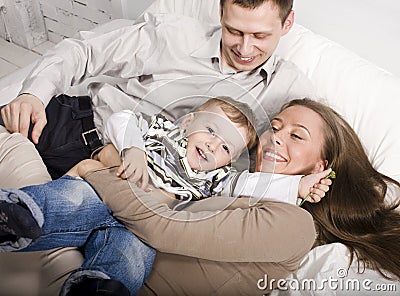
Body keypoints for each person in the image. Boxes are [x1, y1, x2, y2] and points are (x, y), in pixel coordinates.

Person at [81, 98, 399, 294]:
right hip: (96, 241)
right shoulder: (229, 182)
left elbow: (161, 226)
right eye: (274, 127)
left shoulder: (296, 224)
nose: (274, 139)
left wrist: (98, 167)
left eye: (296, 135)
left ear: (320, 166)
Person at [0, 0, 315, 172]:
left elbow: (323, 148)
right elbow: (86, 52)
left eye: (260, 36)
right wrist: (33, 94)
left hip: (139, 182)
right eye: (234, 31)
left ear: (287, 24)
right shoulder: (173, 34)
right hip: (79, 129)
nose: (244, 49)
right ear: (220, 12)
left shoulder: (289, 90)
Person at [101, 96, 330, 204]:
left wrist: (298, 186)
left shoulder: (215, 178)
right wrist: (132, 148)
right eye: (211, 129)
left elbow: (251, 184)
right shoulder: (163, 132)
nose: (212, 145)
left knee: (129, 258)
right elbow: (123, 118)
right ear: (187, 123)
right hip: (105, 193)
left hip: (130, 227)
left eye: (225, 147)